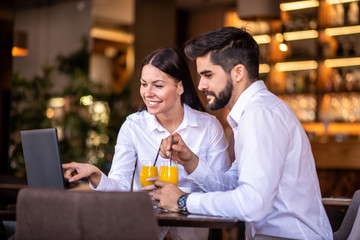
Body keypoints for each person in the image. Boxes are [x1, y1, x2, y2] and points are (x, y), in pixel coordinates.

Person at [152, 27, 333, 240]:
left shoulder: (260, 115)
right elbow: (234, 186)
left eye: (208, 75)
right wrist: (191, 161)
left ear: (238, 72)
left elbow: (252, 204)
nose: (201, 85)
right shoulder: (254, 113)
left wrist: (183, 202)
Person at [62, 47, 231, 240]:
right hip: (144, 231)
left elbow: (223, 191)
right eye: (144, 84)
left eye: (158, 85)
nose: (147, 93)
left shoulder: (208, 127)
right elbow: (121, 188)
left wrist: (191, 165)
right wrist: (96, 176)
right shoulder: (133, 126)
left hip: (191, 234)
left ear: (180, 87)